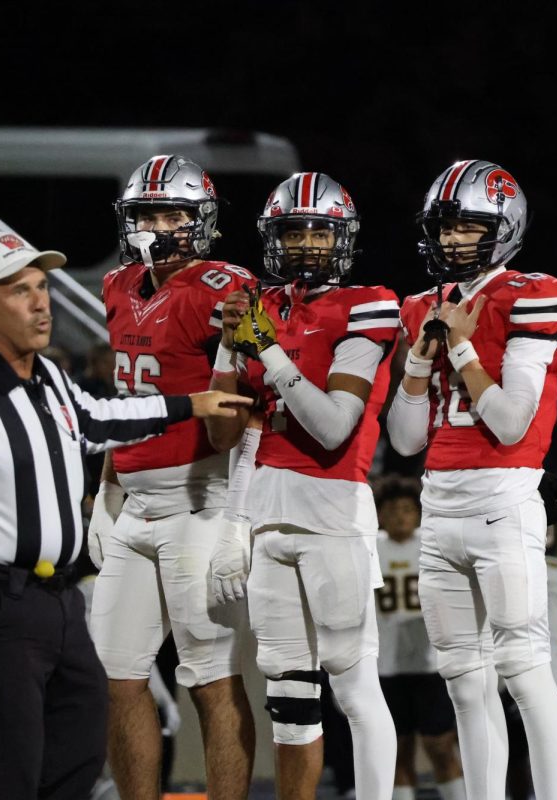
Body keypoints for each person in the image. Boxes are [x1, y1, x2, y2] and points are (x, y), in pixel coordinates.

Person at [0, 230, 250, 800]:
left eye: (42, 287)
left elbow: (99, 417)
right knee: (2, 776)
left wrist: (190, 405)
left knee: (79, 753)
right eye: (20, 291)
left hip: (59, 604)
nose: (41, 302)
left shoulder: (47, 379)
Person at [387, 160, 557, 800]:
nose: (452, 240)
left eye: (469, 225)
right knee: (464, 679)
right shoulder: (421, 306)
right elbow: (407, 439)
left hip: (503, 498)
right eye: (445, 227)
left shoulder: (533, 294)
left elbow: (511, 420)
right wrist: (419, 356)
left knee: (523, 669)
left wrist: (463, 349)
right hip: (439, 507)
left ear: (504, 228)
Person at [206, 172, 400, 800]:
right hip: (267, 513)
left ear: (342, 237)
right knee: (286, 690)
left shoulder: (366, 303)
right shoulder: (265, 305)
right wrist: (229, 352)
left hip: (331, 509)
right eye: (295, 230)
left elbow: (334, 427)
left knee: (352, 684)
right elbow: (224, 435)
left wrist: (268, 350)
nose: (308, 243)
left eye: (320, 230)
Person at [87, 154, 257, 800]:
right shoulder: (117, 285)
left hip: (200, 500)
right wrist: (105, 491)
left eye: (171, 214)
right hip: (134, 503)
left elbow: (257, 391)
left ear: (202, 221)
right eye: (147, 214)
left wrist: (239, 515)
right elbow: (122, 396)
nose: (157, 225)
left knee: (211, 676)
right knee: (118, 675)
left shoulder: (225, 287)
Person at [373, 476, 466, 800]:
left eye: (407, 509)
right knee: (396, 748)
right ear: (380, 514)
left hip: (430, 665)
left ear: (419, 513)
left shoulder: (432, 544)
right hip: (386, 664)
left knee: (440, 745)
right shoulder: (370, 546)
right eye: (393, 509)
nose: (400, 516)